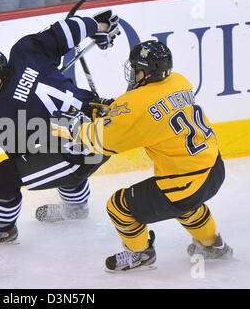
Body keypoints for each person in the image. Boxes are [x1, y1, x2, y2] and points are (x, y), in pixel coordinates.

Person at [56, 40, 233, 272]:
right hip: (214, 169)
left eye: (135, 68)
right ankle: (213, 244)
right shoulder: (180, 81)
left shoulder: (135, 104)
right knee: (187, 203)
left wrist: (76, 127)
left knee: (119, 206)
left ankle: (140, 253)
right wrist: (116, 115)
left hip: (186, 184)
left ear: (146, 72)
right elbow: (149, 112)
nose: (132, 73)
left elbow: (104, 142)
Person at [0, 10, 121, 246]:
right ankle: (75, 207)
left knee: (4, 177)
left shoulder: (1, 113)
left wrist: (12, 118)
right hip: (106, 120)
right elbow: (64, 31)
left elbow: (24, 156)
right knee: (62, 145)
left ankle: (2, 230)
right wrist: (98, 27)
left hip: (87, 149)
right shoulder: (24, 51)